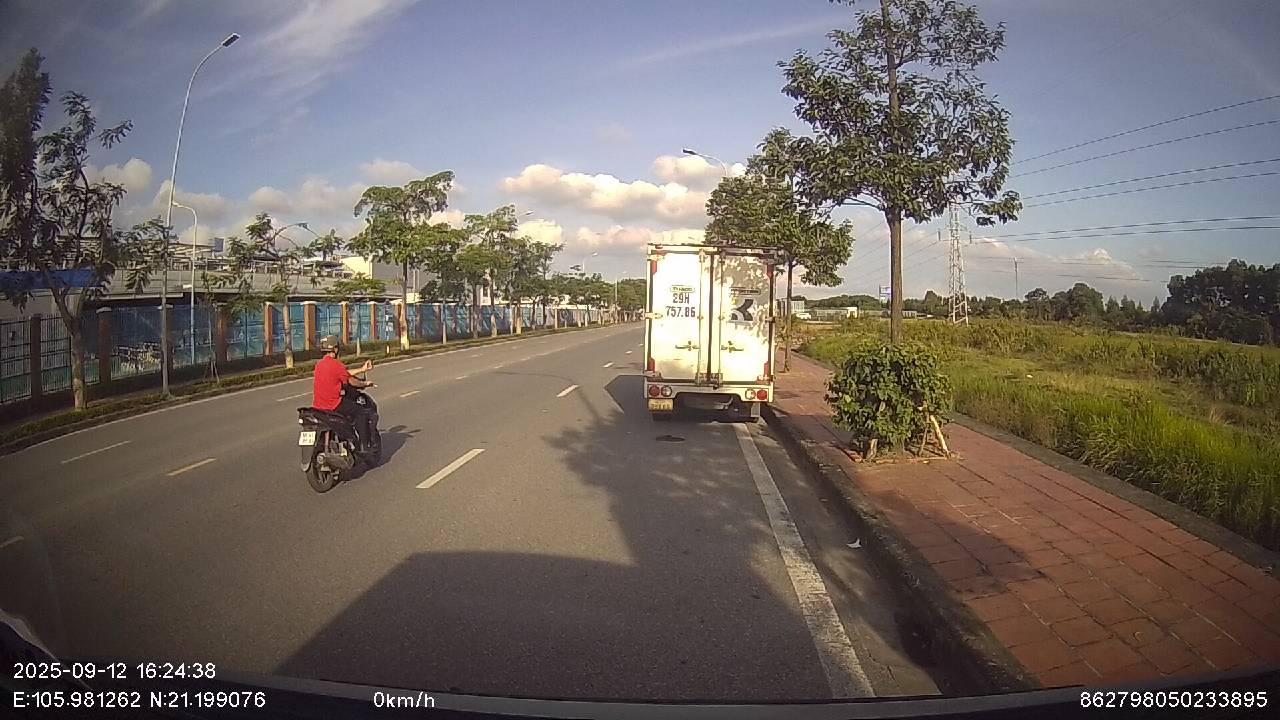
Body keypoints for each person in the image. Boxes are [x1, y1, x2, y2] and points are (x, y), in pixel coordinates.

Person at [312, 335, 374, 446]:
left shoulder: (319, 365)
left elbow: (344, 373)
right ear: (335, 349)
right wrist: (365, 384)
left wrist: (362, 369)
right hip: (333, 405)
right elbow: (351, 381)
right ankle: (364, 446)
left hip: (318, 407)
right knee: (360, 412)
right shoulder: (336, 364)